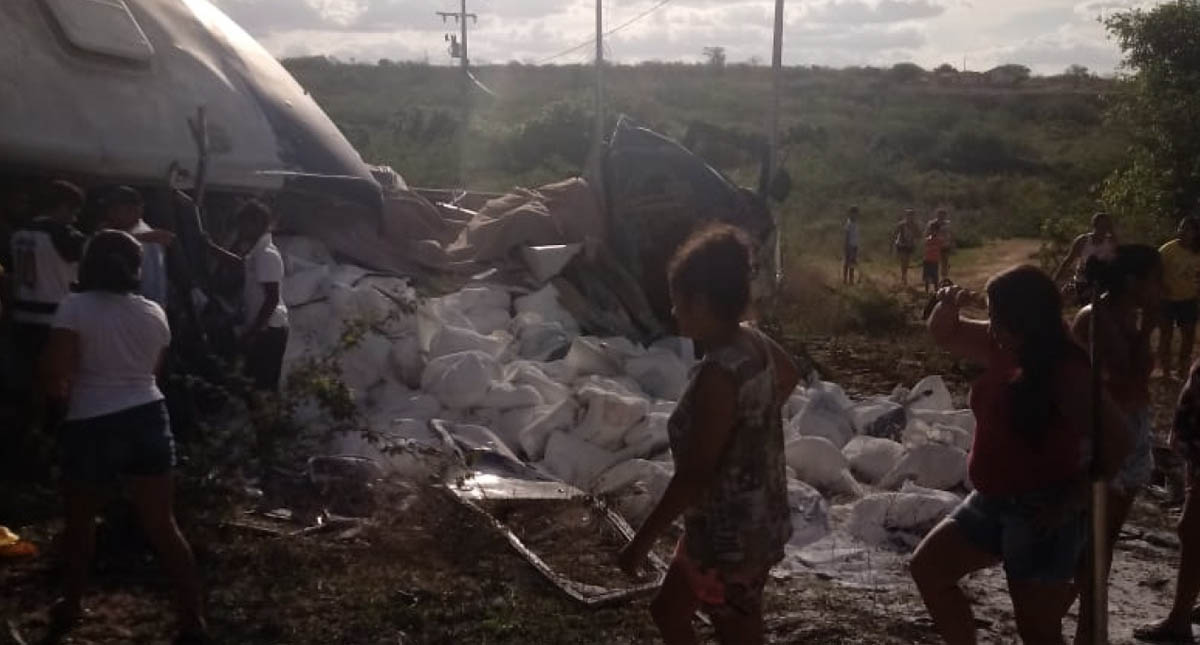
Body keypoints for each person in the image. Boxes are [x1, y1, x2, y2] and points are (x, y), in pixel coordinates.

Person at [910, 266, 1128, 645]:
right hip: (990, 500)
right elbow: (946, 334)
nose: (991, 326)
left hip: (1040, 512)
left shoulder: (1066, 369)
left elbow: (1119, 439)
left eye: (997, 316)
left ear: (1024, 320)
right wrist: (946, 305)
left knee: (1037, 631)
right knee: (929, 569)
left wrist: (1074, 499)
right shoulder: (1004, 343)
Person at [618, 223, 799, 645]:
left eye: (677, 301)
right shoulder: (753, 343)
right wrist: (751, 429)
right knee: (668, 612)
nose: (673, 311)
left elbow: (694, 476)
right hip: (744, 521)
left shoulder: (718, 377)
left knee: (737, 632)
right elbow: (787, 378)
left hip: (730, 542)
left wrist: (639, 544)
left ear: (700, 301)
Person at [39, 230, 206, 641]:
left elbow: (55, 373)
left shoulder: (74, 307)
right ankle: (193, 618)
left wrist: (49, 408)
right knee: (162, 524)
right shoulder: (155, 312)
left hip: (92, 421)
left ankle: (72, 605)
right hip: (149, 415)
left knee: (80, 523)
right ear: (137, 268)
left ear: (88, 264)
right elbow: (151, 373)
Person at [1068, 245, 1161, 644]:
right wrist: (1148, 328)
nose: (1161, 286)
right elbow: (1125, 374)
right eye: (1155, 278)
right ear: (1131, 282)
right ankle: (1085, 628)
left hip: (1131, 429)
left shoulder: (1125, 315)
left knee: (1106, 539)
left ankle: (1090, 626)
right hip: (1106, 435)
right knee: (1092, 541)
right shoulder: (1097, 318)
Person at [8, 180, 87, 451]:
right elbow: (87, 256)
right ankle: (52, 440)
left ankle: (24, 437)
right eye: (73, 211)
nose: (75, 218)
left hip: (22, 316)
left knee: (29, 381)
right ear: (63, 206)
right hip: (52, 320)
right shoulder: (61, 234)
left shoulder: (19, 233)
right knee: (57, 382)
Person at [100, 186, 175, 308]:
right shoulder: (131, 234)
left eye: (115, 209)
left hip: (137, 309)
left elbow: (148, 284)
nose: (110, 213)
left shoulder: (148, 241)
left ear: (134, 210)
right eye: (110, 209)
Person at [1158, 216, 1200, 379]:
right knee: (1166, 335)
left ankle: (1183, 370)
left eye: (1189, 229)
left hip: (1188, 299)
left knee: (1188, 338)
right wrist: (1161, 287)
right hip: (1167, 300)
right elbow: (1155, 273)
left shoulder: (1197, 251)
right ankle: (1166, 372)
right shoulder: (1167, 250)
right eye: (1182, 227)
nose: (1185, 232)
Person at [1052, 212, 1118, 304]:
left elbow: (1118, 259)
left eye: (1106, 226)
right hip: (1084, 280)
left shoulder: (1111, 242)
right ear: (1095, 225)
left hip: (1104, 280)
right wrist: (1055, 281)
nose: (1103, 229)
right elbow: (1068, 261)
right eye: (1101, 225)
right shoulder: (1083, 241)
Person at [895, 208, 921, 286]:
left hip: (909, 245)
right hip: (902, 244)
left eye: (911, 215)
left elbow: (919, 234)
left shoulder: (914, 225)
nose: (910, 217)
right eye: (909, 215)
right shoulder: (901, 224)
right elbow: (896, 233)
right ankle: (904, 277)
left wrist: (914, 240)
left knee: (906, 261)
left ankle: (904, 275)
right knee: (903, 260)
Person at [923, 221, 945, 293]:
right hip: (927, 260)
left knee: (935, 277)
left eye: (934, 230)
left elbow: (942, 247)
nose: (932, 231)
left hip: (935, 260)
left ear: (937, 231)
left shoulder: (939, 239)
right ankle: (927, 291)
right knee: (927, 277)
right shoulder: (927, 239)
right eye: (931, 230)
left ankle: (936, 290)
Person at [931, 208, 953, 279]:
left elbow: (950, 234)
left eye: (943, 215)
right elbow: (930, 234)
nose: (941, 216)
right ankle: (937, 276)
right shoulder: (933, 224)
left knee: (945, 261)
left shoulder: (947, 223)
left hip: (945, 245)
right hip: (936, 245)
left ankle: (944, 277)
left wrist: (952, 242)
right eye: (940, 215)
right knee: (936, 262)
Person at [843, 206, 860, 286]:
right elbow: (846, 235)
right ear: (851, 213)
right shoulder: (849, 223)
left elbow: (856, 235)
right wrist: (847, 246)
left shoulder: (856, 223)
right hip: (849, 246)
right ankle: (845, 280)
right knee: (847, 263)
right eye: (854, 213)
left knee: (852, 263)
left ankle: (851, 280)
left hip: (855, 245)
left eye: (856, 213)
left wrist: (857, 246)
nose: (855, 215)